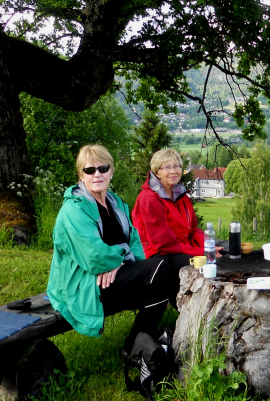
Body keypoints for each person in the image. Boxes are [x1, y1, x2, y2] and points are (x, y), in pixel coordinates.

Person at [47, 145, 178, 354]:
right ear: (81, 175)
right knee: (160, 269)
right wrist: (120, 260)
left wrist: (121, 261)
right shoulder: (73, 209)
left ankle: (134, 348)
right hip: (84, 284)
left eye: (103, 168)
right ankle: (136, 347)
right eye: (90, 170)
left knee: (162, 281)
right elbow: (94, 256)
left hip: (110, 277)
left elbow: (134, 239)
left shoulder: (115, 202)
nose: (97, 174)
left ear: (111, 171)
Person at [132, 148, 221, 279]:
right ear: (157, 173)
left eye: (176, 166)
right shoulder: (149, 198)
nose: (173, 171)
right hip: (157, 254)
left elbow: (193, 230)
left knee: (228, 252)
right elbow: (163, 244)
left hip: (181, 248)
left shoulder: (181, 196)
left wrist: (210, 245)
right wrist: (203, 251)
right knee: (206, 263)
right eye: (167, 167)